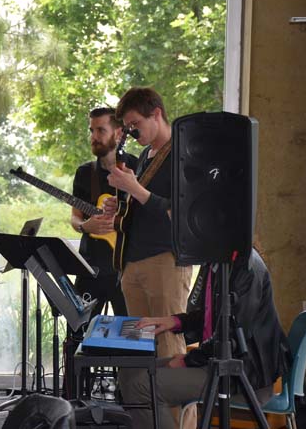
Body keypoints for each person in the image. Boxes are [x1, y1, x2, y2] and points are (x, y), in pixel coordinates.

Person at [118, 248, 291, 429]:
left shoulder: (245, 268)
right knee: (128, 373)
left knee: (142, 386)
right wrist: (173, 321)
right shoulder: (218, 260)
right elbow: (211, 315)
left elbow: (231, 335)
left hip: (242, 375)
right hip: (215, 360)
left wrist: (188, 360)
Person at [103, 87, 193, 360]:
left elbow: (180, 212)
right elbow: (143, 208)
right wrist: (119, 203)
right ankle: (144, 404)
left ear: (156, 114)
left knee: (168, 348)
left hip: (165, 260)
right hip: (133, 262)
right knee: (140, 352)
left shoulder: (182, 151)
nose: (132, 132)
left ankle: (178, 405)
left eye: (135, 124)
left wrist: (136, 188)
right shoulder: (145, 157)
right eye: (128, 126)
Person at [71, 107, 137, 319]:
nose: (94, 137)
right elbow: (75, 217)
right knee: (79, 334)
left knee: (129, 337)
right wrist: (84, 226)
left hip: (127, 269)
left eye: (101, 130)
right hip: (90, 268)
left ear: (118, 133)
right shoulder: (84, 172)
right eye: (91, 131)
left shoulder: (137, 165)